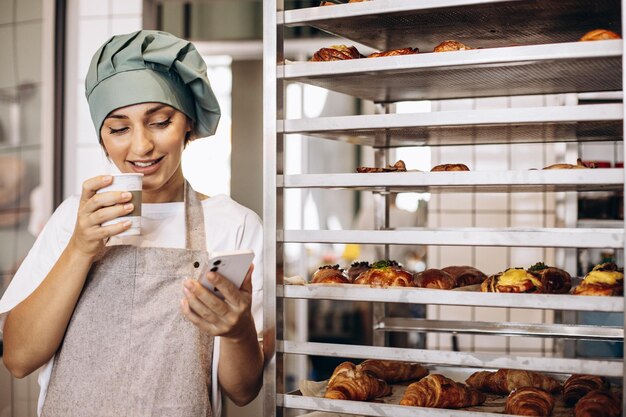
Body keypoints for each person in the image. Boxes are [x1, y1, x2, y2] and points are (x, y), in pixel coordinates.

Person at [0, 30, 264, 417]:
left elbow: (243, 392)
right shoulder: (73, 218)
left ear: (187, 123)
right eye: (119, 129)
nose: (141, 147)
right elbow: (19, 359)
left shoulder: (234, 225)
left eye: (159, 121)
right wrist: (80, 247)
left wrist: (237, 331)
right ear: (103, 138)